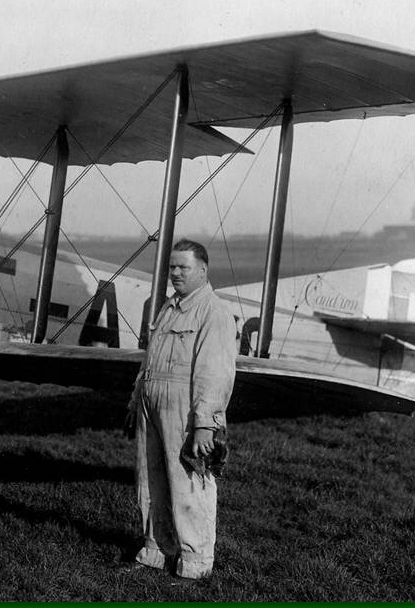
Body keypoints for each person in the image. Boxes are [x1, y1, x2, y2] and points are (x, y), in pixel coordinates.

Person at [123, 238, 237, 580]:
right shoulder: (170, 307)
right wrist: (134, 401)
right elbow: (150, 360)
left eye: (183, 267)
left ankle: (196, 565)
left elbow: (215, 373)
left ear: (202, 270)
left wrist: (205, 424)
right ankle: (156, 551)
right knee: (150, 479)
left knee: (189, 483)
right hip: (151, 402)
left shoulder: (213, 312)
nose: (175, 273)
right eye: (172, 267)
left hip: (186, 408)